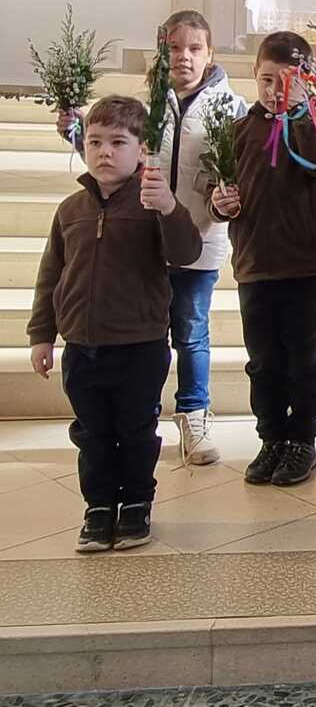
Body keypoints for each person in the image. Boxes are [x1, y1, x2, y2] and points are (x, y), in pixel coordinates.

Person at [56, 10, 248, 467]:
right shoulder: (146, 107)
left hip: (196, 238)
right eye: (175, 48)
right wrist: (75, 133)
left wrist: (223, 200)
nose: (184, 57)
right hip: (139, 243)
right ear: (162, 53)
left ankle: (193, 417)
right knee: (145, 337)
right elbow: (114, 158)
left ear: (210, 53)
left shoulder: (231, 108)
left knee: (191, 332)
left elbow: (234, 173)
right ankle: (138, 417)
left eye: (194, 48)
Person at [28, 96, 203, 552]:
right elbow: (51, 275)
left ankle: (136, 504)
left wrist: (169, 208)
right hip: (82, 346)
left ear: (141, 150)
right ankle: (99, 507)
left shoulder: (152, 204)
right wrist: (42, 335)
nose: (105, 151)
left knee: (135, 430)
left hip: (139, 345)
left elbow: (186, 252)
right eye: (95, 142)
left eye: (118, 142)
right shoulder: (70, 210)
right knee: (92, 433)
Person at [209, 31, 316, 487]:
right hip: (256, 263)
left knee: (302, 356)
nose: (274, 90)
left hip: (305, 263)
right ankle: (271, 437)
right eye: (267, 80)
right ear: (254, 75)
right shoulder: (237, 131)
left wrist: (299, 110)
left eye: (286, 81)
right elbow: (220, 189)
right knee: (263, 360)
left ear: (305, 81)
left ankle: (302, 438)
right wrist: (219, 204)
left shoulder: (315, 125)